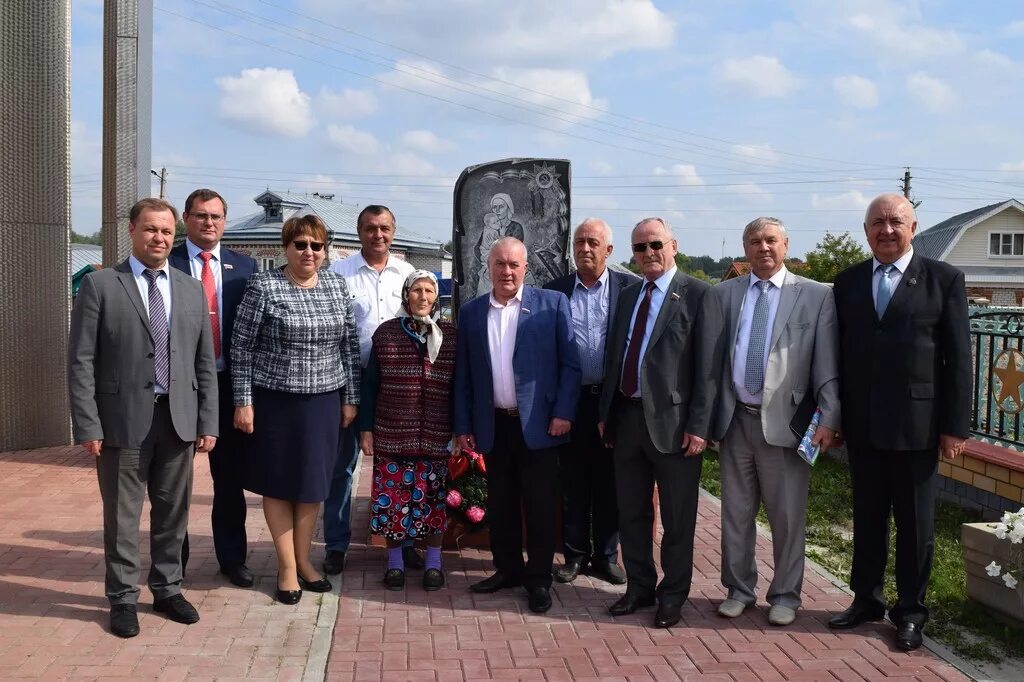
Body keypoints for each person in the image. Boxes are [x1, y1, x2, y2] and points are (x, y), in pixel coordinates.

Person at [68, 197, 218, 638]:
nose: (160, 238)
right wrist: (88, 423)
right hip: (121, 422)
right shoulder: (101, 285)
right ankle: (122, 599)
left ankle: (168, 589)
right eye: (151, 229)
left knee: (173, 513)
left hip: (178, 420)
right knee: (123, 517)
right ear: (132, 230)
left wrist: (208, 420)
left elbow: (202, 362)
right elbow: (80, 361)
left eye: (167, 231)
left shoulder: (190, 289)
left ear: (177, 235)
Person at [828, 194, 971, 651]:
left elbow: (960, 360)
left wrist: (955, 427)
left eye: (895, 222)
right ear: (865, 230)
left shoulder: (944, 280)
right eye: (877, 223)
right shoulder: (846, 282)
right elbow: (840, 354)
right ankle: (866, 599)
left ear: (914, 226)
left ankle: (910, 611)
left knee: (915, 525)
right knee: (867, 518)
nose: (886, 231)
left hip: (919, 426)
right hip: (863, 426)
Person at [709, 217, 840, 626]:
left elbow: (827, 363)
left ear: (785, 244)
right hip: (735, 421)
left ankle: (785, 594)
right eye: (754, 241)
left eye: (770, 240)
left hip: (787, 424)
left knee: (786, 516)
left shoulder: (816, 295)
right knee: (735, 513)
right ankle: (738, 589)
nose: (762, 248)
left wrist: (830, 415)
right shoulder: (725, 293)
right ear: (745, 249)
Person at [597, 217, 721, 629]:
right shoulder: (629, 294)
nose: (648, 253)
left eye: (655, 245)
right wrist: (605, 414)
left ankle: (673, 595)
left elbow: (708, 368)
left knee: (677, 518)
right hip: (627, 419)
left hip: (676, 424)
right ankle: (639, 588)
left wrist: (700, 426)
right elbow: (615, 357)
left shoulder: (699, 294)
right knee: (631, 512)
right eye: (640, 248)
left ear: (673, 246)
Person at [231, 214, 361, 604]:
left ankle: (305, 562)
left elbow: (349, 347)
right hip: (275, 402)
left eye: (316, 246)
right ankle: (287, 567)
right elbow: (241, 347)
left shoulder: (337, 286)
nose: (309, 252)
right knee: (278, 484)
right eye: (300, 244)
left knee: (311, 487)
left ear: (325, 251)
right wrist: (243, 401)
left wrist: (351, 398)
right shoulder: (264, 286)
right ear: (286, 247)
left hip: (324, 402)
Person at [454, 237, 581, 614]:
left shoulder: (552, 304)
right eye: (500, 264)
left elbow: (570, 365)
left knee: (540, 506)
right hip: (494, 425)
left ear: (526, 268)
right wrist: (464, 424)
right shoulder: (473, 312)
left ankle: (539, 579)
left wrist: (564, 413)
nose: (507, 272)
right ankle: (507, 569)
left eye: (514, 265)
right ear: (488, 267)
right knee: (502, 503)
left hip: (541, 426)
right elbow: (464, 374)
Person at [170, 188, 258, 588]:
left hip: (229, 385)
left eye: (217, 216)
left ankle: (232, 558)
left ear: (225, 221)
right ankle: (174, 562)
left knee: (229, 479)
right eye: (201, 216)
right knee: (173, 482)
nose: (209, 223)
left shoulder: (245, 267)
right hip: (177, 388)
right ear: (185, 219)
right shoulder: (165, 263)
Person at [325, 205, 418, 576]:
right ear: (359, 231)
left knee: (401, 463)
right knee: (342, 467)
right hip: (351, 377)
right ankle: (336, 544)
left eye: (384, 228)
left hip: (397, 383)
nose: (377, 235)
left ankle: (405, 541)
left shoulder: (408, 274)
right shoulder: (338, 273)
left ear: (393, 231)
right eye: (369, 228)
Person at [544, 218, 636, 586]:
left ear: (608, 250)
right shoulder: (555, 291)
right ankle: (575, 555)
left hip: (613, 402)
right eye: (579, 242)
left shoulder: (629, 289)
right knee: (573, 481)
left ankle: (607, 556)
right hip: (571, 402)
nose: (585, 248)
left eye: (593, 242)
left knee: (611, 481)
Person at [359, 271, 457, 591]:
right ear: (406, 295)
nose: (424, 296)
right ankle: (396, 564)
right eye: (417, 290)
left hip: (436, 434)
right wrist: (367, 429)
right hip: (392, 433)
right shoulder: (386, 334)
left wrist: (459, 431)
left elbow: (459, 387)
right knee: (392, 502)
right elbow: (370, 384)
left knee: (433, 503)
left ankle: (433, 563)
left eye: (429, 291)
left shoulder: (450, 336)